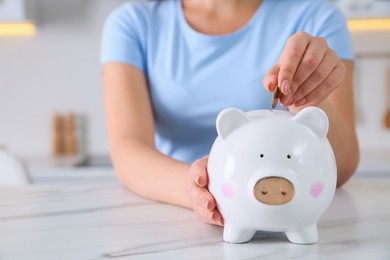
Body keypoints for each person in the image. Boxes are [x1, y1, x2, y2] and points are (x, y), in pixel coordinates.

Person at [100, 0, 360, 227]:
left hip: (286, 211)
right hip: (175, 212)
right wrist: (197, 190)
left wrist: (307, 94)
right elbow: (128, 148)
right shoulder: (132, 24)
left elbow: (343, 165)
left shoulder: (319, 17)